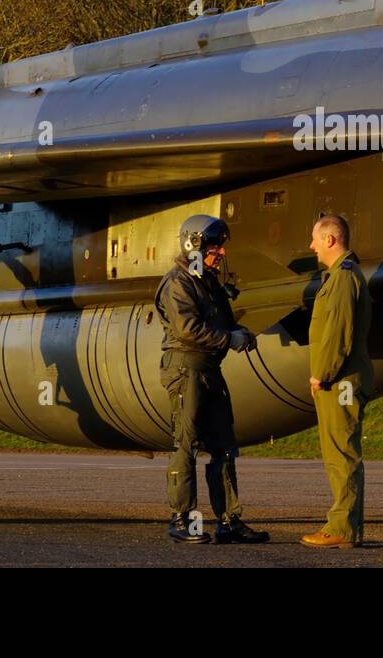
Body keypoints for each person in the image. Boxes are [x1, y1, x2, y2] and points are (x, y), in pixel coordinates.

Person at [155, 214, 269, 545]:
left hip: (209, 370)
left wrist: (240, 333)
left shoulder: (208, 281)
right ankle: (182, 521)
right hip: (186, 369)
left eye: (220, 246)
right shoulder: (179, 282)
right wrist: (227, 339)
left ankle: (228, 521)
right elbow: (187, 330)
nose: (220, 253)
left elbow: (224, 321)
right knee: (186, 445)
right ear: (194, 244)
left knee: (224, 447)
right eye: (214, 246)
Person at [301, 214, 374, 549]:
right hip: (338, 379)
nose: (311, 246)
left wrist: (323, 373)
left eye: (316, 239)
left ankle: (342, 528)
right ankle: (345, 526)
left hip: (340, 380)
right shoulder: (339, 276)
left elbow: (339, 333)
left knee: (341, 453)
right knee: (337, 452)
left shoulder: (344, 278)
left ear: (330, 239)